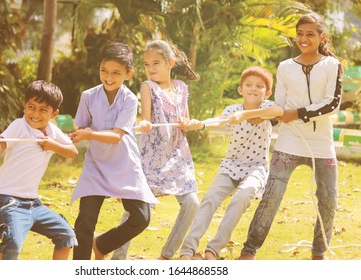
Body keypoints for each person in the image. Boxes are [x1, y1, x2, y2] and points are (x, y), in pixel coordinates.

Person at [238, 12, 342, 260]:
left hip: (322, 146)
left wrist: (293, 113)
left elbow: (332, 104)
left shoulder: (332, 65)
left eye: (310, 34)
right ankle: (249, 251)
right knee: (271, 196)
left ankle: (318, 253)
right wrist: (261, 114)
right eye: (300, 34)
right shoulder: (285, 67)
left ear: (322, 37)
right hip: (288, 143)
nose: (304, 39)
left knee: (328, 200)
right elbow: (279, 106)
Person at [178, 66, 284, 260]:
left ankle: (213, 250)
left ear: (267, 92)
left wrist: (247, 115)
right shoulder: (232, 110)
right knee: (209, 199)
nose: (253, 89)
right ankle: (187, 250)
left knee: (241, 198)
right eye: (249, 85)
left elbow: (278, 111)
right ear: (240, 89)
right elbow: (216, 121)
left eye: (259, 86)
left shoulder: (267, 108)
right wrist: (199, 123)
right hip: (231, 165)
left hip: (256, 168)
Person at [112, 39, 202, 260]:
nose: (150, 69)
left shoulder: (181, 87)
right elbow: (146, 118)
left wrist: (189, 123)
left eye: (156, 63)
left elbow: (187, 121)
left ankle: (166, 256)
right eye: (146, 64)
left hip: (178, 154)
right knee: (138, 209)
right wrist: (144, 124)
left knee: (192, 203)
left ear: (170, 63)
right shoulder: (147, 86)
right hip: (152, 156)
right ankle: (117, 258)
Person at [69, 41, 159, 260]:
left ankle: (102, 244)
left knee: (141, 218)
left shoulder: (129, 99)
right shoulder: (88, 96)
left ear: (128, 74)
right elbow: (80, 126)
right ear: (99, 68)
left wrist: (89, 134)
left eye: (116, 73)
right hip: (96, 165)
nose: (109, 77)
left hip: (125, 164)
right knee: (85, 223)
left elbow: (117, 135)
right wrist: (77, 134)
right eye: (104, 71)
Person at [0, 80, 79, 260]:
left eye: (43, 110)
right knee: (12, 243)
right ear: (24, 106)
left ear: (54, 113)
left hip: (33, 203)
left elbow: (72, 152)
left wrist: (52, 144)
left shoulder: (53, 131)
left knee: (66, 236)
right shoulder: (19, 126)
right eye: (31, 107)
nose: (35, 114)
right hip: (8, 198)